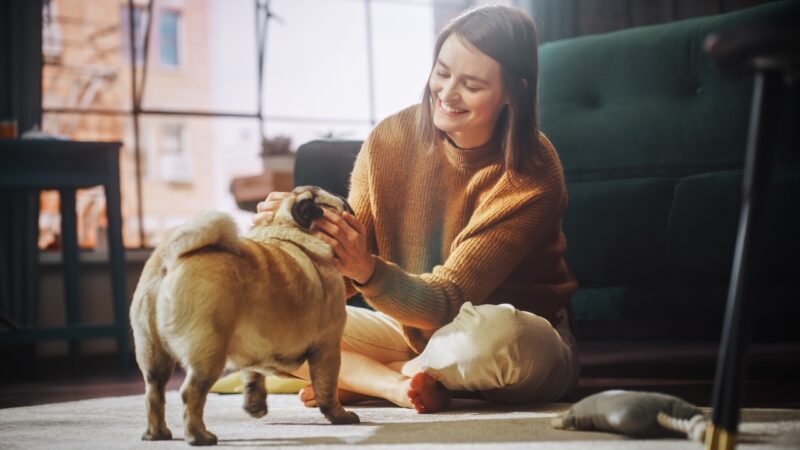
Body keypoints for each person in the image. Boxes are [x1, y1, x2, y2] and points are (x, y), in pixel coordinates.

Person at [253, 4, 579, 413]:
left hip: (513, 339)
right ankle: (392, 382)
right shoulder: (389, 139)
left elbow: (446, 301)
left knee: (492, 338)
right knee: (253, 317)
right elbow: (347, 278)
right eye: (441, 73)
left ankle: (366, 373)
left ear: (514, 91)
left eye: (472, 85)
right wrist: (309, 231)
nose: (446, 93)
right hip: (411, 330)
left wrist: (366, 268)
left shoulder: (531, 173)